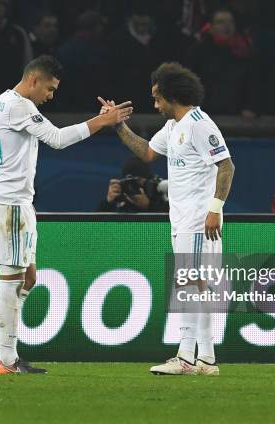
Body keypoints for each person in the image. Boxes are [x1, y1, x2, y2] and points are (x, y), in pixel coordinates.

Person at [0, 55, 132, 375]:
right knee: (12, 279)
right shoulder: (20, 106)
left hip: (10, 200)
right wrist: (102, 122)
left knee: (27, 278)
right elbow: (58, 139)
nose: (51, 96)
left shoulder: (1, 102)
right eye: (49, 88)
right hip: (10, 204)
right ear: (34, 80)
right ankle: (7, 360)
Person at [100, 62, 235, 376]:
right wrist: (118, 126)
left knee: (193, 284)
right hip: (181, 219)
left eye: (157, 97)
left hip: (200, 219)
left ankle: (189, 357)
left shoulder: (200, 124)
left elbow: (227, 166)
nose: (155, 104)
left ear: (172, 95)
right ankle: (206, 360)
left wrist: (215, 208)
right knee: (193, 284)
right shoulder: (175, 127)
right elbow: (146, 152)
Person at [186, 8, 257, 118]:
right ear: (211, 27)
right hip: (204, 115)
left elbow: (251, 83)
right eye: (220, 22)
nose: (226, 25)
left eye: (230, 22)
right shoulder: (199, 51)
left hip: (236, 116)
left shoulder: (244, 52)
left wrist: (249, 108)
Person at [98, 156, 169, 213]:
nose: (134, 186)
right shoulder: (122, 200)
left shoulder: (159, 196)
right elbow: (95, 227)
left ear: (148, 182)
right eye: (130, 182)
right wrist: (108, 203)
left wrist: (148, 206)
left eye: (138, 182)